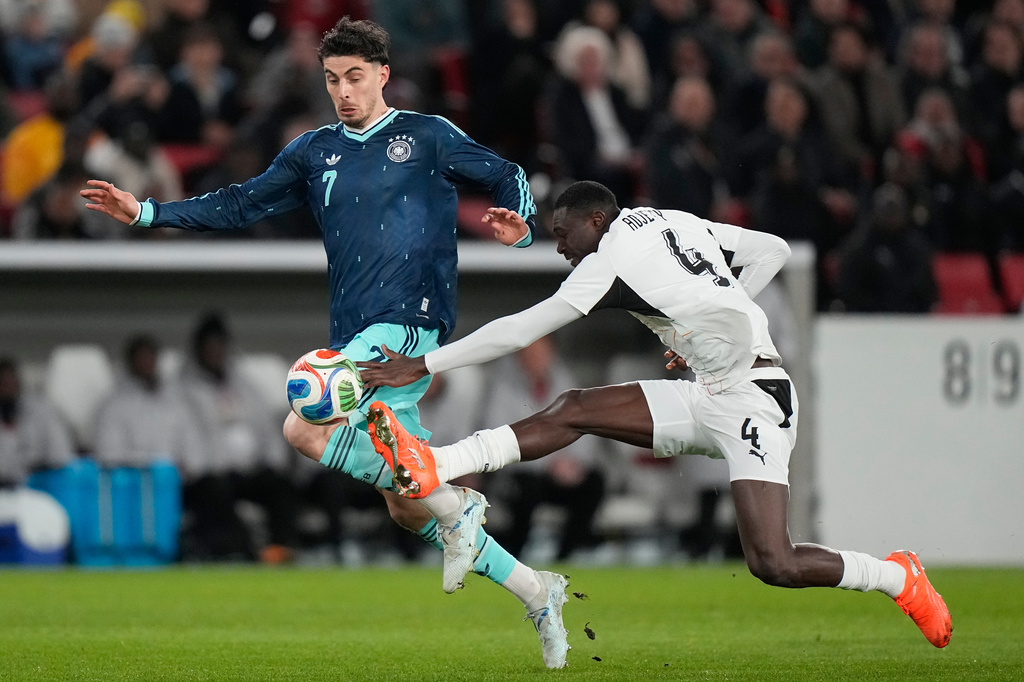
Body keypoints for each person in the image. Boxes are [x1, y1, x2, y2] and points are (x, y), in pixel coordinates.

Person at [81, 16, 569, 668]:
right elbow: (240, 203)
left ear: (383, 75)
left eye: (356, 77)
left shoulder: (425, 135)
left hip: (411, 326)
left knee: (305, 400)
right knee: (375, 483)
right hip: (359, 335)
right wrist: (147, 212)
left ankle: (453, 506)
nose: (344, 90)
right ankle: (531, 585)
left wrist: (521, 225)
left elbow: (506, 173)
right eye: (333, 79)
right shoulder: (313, 151)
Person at [358, 180, 953, 651]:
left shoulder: (607, 261)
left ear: (596, 222)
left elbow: (519, 330)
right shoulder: (672, 219)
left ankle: (897, 577)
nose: (560, 248)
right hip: (707, 388)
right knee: (576, 408)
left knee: (773, 561)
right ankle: (438, 465)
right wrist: (714, 317)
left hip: (755, 398)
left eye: (563, 235)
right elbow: (772, 251)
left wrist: (425, 363)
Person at [0, 356, 74, 489]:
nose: (7, 388)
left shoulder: (41, 410)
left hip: (36, 484)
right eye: (2, 383)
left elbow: (61, 454)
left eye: (11, 382)